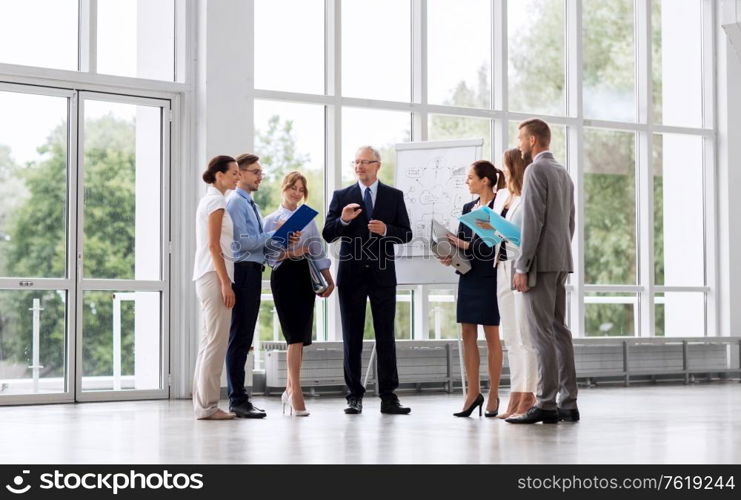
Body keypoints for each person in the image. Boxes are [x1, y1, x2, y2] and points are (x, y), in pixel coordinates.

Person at [322, 145, 413, 415]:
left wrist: (387, 230)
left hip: (383, 275)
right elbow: (328, 234)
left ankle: (388, 396)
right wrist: (344, 220)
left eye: (365, 162)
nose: (359, 166)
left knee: (386, 335)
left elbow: (406, 234)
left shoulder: (394, 196)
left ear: (377, 165)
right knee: (352, 337)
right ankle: (354, 396)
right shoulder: (342, 196)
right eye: (356, 162)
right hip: (351, 276)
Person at [506, 118, 579, 424]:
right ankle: (568, 402)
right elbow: (570, 222)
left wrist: (522, 265)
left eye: (521, 139)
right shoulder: (563, 172)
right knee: (559, 330)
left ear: (533, 140)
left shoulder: (536, 169)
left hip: (539, 263)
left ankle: (546, 403)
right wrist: (559, 253)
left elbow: (533, 220)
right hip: (560, 260)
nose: (520, 144)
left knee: (541, 334)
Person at [225, 153, 298, 419]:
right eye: (255, 172)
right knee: (240, 336)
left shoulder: (249, 203)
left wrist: (284, 237)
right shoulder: (236, 202)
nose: (259, 176)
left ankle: (240, 397)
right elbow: (243, 242)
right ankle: (237, 399)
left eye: (261, 172)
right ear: (240, 173)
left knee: (245, 336)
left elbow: (257, 241)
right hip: (244, 271)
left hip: (253, 271)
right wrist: (276, 234)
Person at [263, 171, 335, 417]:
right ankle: (296, 393)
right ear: (283, 187)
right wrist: (289, 248)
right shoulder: (270, 220)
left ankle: (288, 389)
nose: (296, 192)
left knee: (301, 338)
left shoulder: (307, 218)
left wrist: (329, 279)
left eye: (300, 189)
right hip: (284, 277)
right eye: (292, 187)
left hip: (305, 276)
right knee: (293, 336)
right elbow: (269, 257)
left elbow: (316, 249)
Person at [440, 160, 505, 417]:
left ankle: (493, 394)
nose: (467, 182)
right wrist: (450, 253)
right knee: (467, 333)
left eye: (470, 178)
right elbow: (463, 242)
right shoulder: (468, 207)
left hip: (489, 276)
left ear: (485, 180)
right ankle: (472, 393)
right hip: (468, 275)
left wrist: (464, 246)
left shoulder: (500, 206)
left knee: (491, 335)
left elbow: (494, 247)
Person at [192, 155, 240, 420]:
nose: (237, 176)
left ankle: (202, 405)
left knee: (208, 342)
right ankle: (208, 406)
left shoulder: (210, 199)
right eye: (233, 172)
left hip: (207, 275)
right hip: (213, 276)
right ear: (219, 175)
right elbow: (213, 246)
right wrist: (225, 283)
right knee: (216, 343)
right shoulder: (217, 201)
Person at [491, 148, 538, 419]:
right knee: (510, 335)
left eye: (506, 167)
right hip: (501, 264)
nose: (503, 172)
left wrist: (507, 233)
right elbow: (497, 232)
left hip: (520, 264)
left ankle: (529, 395)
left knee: (524, 335)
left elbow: (529, 235)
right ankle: (516, 394)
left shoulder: (529, 195)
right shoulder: (502, 197)